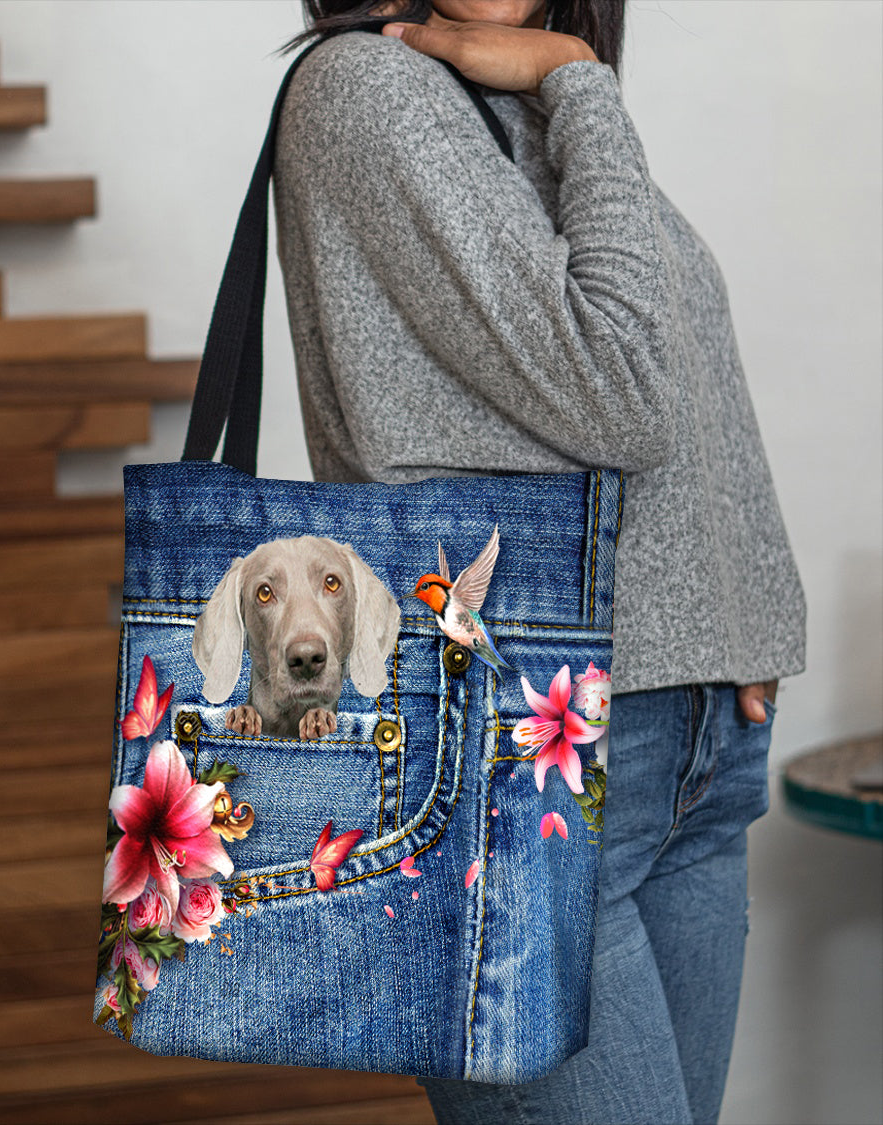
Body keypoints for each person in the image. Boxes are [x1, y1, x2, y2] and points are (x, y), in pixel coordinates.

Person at [272, 2, 807, 1122]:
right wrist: (581, 78)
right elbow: (623, 390)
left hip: (686, 753)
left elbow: (683, 360)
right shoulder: (372, 90)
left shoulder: (514, 96)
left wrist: (734, 627)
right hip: (519, 768)